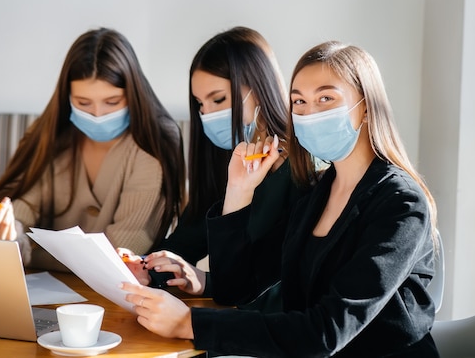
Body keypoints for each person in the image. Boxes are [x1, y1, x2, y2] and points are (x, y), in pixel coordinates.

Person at [120, 41, 440, 357]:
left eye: (325, 98)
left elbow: (327, 331)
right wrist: (239, 192)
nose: (308, 112)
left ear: (367, 107)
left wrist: (190, 324)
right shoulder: (316, 194)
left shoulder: (401, 205)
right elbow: (237, 289)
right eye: (298, 101)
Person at [0, 28, 187, 271]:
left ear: (133, 95)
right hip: (38, 285)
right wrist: (6, 232)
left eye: (112, 102)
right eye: (83, 103)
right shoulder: (48, 136)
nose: (97, 114)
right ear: (67, 97)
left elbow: (122, 252)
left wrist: (29, 251)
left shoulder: (153, 145)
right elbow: (24, 205)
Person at [121, 26, 303, 307]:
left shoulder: (302, 169)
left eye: (218, 99)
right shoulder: (226, 161)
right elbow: (186, 243)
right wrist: (146, 267)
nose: (207, 114)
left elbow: (276, 282)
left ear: (259, 87)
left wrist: (205, 280)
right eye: (200, 104)